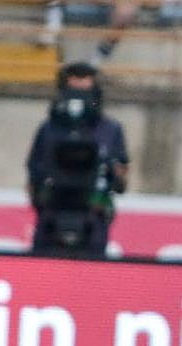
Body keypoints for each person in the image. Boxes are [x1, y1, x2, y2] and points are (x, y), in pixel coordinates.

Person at [27, 62, 129, 258]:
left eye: (85, 91)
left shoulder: (110, 129)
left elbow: (120, 174)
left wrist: (110, 172)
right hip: (53, 212)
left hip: (93, 213)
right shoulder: (48, 129)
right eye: (73, 90)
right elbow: (33, 171)